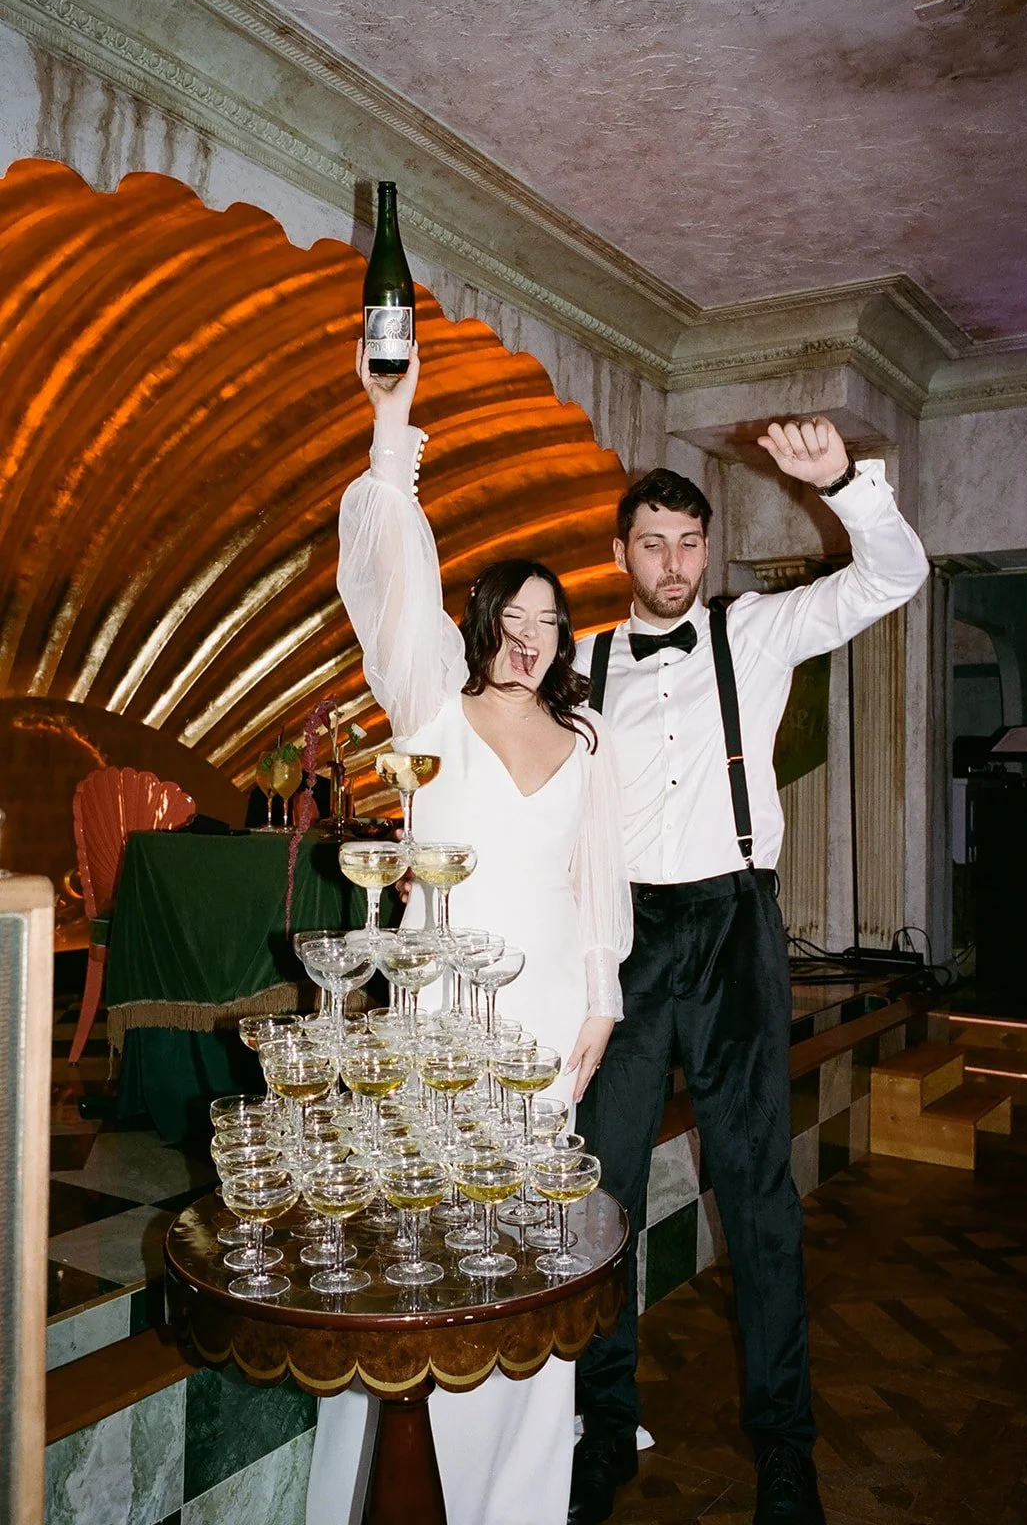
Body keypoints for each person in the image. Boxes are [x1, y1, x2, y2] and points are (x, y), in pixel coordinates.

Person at [569, 417, 930, 1525]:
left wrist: (843, 487)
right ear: (620, 551)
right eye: (651, 541)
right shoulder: (577, 663)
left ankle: (784, 1448)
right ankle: (601, 1424)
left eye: (689, 541)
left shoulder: (759, 630)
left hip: (732, 928)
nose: (672, 562)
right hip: (621, 938)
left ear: (706, 549)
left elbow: (895, 575)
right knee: (601, 1194)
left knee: (758, 1196)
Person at [305, 342, 633, 1525]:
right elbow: (391, 578)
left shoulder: (585, 743)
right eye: (518, 613)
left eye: (553, 620)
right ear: (487, 617)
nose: (534, 635)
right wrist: (391, 437)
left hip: (546, 1024)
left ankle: (519, 1501)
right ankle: (401, 1488)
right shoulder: (430, 698)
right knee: (431, 1252)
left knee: (527, 1259)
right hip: (438, 1022)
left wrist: (599, 997)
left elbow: (600, 883)